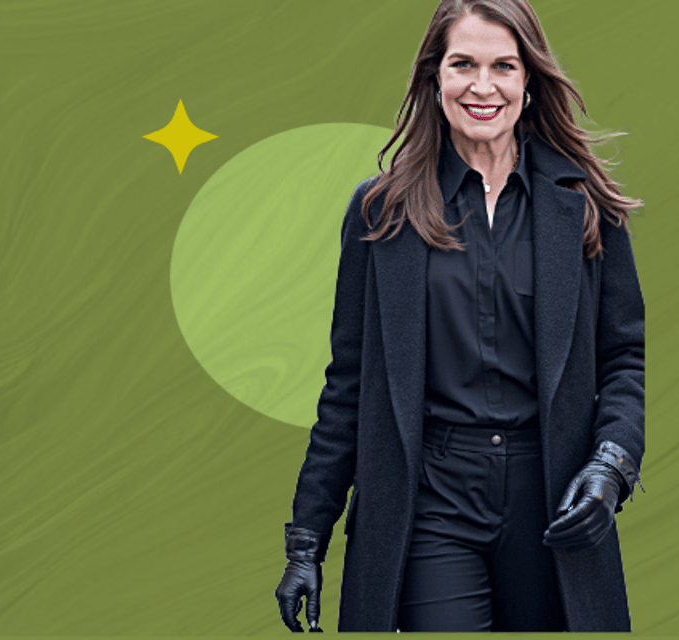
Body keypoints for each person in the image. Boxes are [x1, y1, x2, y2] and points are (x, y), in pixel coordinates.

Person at [272, 0, 644, 632]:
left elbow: (622, 360)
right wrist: (308, 535)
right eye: (462, 63)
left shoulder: (583, 205)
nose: (482, 85)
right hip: (430, 501)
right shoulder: (381, 213)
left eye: (504, 65)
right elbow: (349, 383)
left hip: (549, 496)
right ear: (433, 78)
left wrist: (610, 465)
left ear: (529, 82)